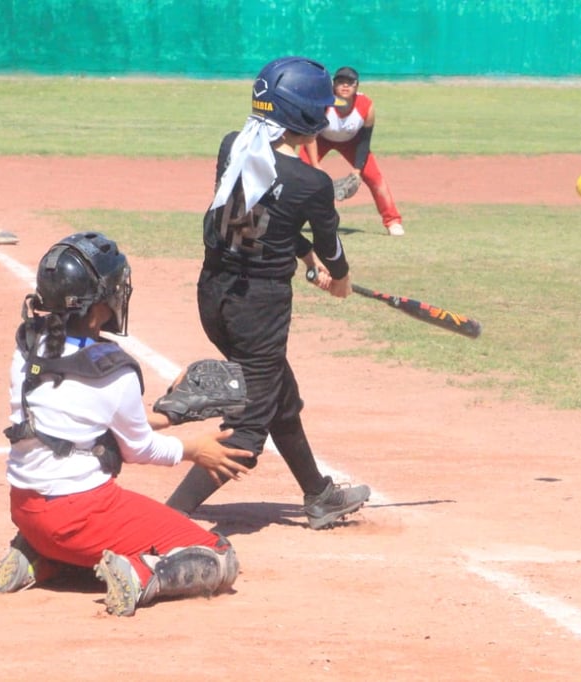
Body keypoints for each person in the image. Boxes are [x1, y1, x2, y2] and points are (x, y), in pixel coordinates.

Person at [0, 231, 254, 617]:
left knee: (82, 507)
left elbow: (80, 419)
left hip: (27, 511)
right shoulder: (113, 370)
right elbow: (137, 449)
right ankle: (141, 577)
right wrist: (193, 449)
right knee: (218, 557)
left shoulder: (29, 344)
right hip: (78, 515)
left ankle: (39, 557)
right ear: (97, 303)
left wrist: (167, 413)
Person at [163, 56, 372, 529]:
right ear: (303, 117)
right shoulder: (312, 182)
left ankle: (319, 495)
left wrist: (301, 257)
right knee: (249, 432)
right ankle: (164, 521)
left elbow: (253, 219)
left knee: (279, 394)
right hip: (258, 309)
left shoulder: (234, 147)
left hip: (215, 295)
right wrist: (336, 277)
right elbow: (332, 249)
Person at [300, 66, 405, 237]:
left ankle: (392, 221)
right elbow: (310, 135)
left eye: (350, 82)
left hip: (352, 142)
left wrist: (357, 170)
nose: (345, 86)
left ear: (357, 86)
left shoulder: (366, 106)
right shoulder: (323, 103)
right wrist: (315, 165)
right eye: (341, 82)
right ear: (333, 85)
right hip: (320, 139)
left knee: (375, 178)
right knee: (299, 175)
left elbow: (365, 140)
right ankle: (290, 220)